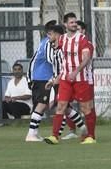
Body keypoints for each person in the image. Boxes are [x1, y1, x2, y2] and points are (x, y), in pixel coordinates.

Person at [26, 22, 86, 142]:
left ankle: (82, 128)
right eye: (48, 34)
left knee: (63, 106)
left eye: (50, 34)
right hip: (46, 78)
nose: (48, 36)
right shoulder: (49, 44)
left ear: (57, 34)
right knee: (51, 105)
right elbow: (51, 60)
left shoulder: (61, 45)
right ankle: (33, 134)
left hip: (56, 79)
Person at [44, 12, 97, 145]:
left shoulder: (83, 39)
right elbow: (62, 60)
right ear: (66, 24)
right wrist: (54, 80)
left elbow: (86, 58)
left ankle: (90, 136)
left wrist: (75, 71)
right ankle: (54, 136)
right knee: (61, 106)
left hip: (80, 78)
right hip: (66, 79)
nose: (74, 24)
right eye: (72, 22)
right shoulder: (62, 39)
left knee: (86, 108)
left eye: (75, 22)